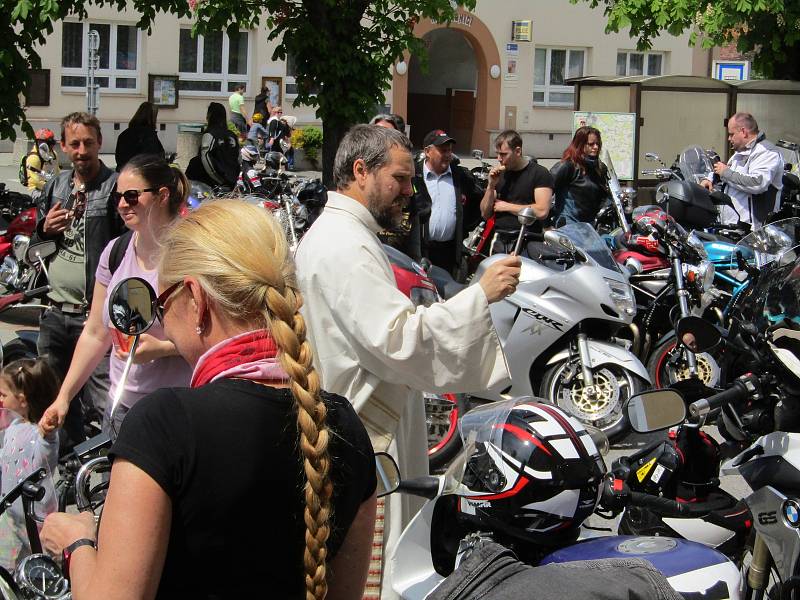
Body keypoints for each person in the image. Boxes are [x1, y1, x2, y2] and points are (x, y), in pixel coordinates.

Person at [40, 200, 377, 600]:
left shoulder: (164, 425)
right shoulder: (344, 425)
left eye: (161, 305)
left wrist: (77, 544)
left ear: (196, 301)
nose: (161, 321)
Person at [294, 124, 519, 598]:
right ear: (360, 171)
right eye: (399, 178)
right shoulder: (345, 244)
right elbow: (399, 340)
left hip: (366, 422)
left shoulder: (345, 234)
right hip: (370, 437)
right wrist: (479, 296)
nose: (408, 191)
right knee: (378, 576)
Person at [39, 154, 193, 437]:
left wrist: (166, 348)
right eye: (118, 196)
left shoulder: (192, 253)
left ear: (162, 196)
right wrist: (64, 397)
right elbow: (96, 333)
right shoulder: (115, 252)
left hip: (178, 410)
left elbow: (220, 335)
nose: (122, 204)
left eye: (132, 196)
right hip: (121, 407)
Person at [31, 112, 123, 450]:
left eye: (88, 142)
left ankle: (112, 468)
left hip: (93, 316)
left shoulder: (114, 188)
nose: (82, 150)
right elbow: (33, 248)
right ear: (63, 147)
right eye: (75, 144)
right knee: (55, 396)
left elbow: (127, 246)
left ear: (100, 143)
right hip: (54, 311)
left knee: (104, 399)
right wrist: (43, 229)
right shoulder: (56, 186)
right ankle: (70, 466)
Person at [0, 359, 60, 567]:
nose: (0, 399)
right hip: (10, 514)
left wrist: (47, 434)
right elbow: (7, 457)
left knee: (39, 563)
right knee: (9, 564)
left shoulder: (41, 435)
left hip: (35, 519)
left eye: (3, 394)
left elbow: (47, 456)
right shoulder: (14, 424)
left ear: (22, 400)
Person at [410, 129, 484, 276]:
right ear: (428, 151)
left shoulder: (461, 175)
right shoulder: (414, 175)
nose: (448, 155)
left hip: (449, 253)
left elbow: (477, 202)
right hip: (420, 251)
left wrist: (464, 227)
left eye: (450, 150)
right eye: (443, 151)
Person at [700, 112, 784, 228]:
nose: (729, 138)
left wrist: (725, 173)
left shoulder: (767, 152)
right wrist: (710, 179)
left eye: (731, 134)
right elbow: (731, 174)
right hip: (734, 227)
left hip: (754, 233)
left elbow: (757, 183)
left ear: (743, 132)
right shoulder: (740, 152)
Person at [480, 130, 553, 254]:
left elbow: (542, 211)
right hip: (500, 238)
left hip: (528, 240)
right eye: (497, 154)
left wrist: (507, 207)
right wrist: (491, 186)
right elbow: (485, 213)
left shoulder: (539, 173)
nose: (499, 159)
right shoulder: (499, 175)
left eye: (503, 154)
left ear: (518, 151)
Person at [550, 126, 611, 226]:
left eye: (598, 144)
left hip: (590, 225)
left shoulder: (599, 167)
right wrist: (546, 225)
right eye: (591, 144)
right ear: (580, 144)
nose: (595, 147)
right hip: (569, 224)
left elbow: (604, 195)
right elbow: (545, 192)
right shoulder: (567, 166)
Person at [185, 102, 240, 189]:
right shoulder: (232, 135)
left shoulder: (210, 134)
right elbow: (238, 158)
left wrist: (219, 180)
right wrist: (233, 179)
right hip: (231, 180)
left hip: (211, 183)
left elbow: (206, 158)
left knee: (194, 163)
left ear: (210, 116)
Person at [114, 102, 165, 172]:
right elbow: (151, 159)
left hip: (123, 174)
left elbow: (119, 158)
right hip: (140, 176)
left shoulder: (124, 134)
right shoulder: (148, 135)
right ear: (152, 117)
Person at [22, 128, 60, 200]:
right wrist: (52, 187)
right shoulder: (33, 158)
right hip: (35, 189)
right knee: (50, 200)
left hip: (50, 186)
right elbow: (35, 181)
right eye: (40, 142)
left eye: (50, 143)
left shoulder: (54, 154)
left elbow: (57, 171)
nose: (42, 145)